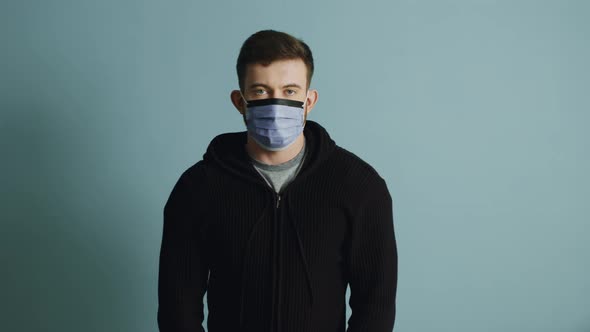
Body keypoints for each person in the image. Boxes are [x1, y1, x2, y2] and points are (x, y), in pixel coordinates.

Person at [157, 29, 398, 332]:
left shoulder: (359, 187)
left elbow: (375, 303)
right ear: (239, 101)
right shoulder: (197, 189)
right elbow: (177, 305)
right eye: (260, 91)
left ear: (309, 100)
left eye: (290, 91)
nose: (275, 105)